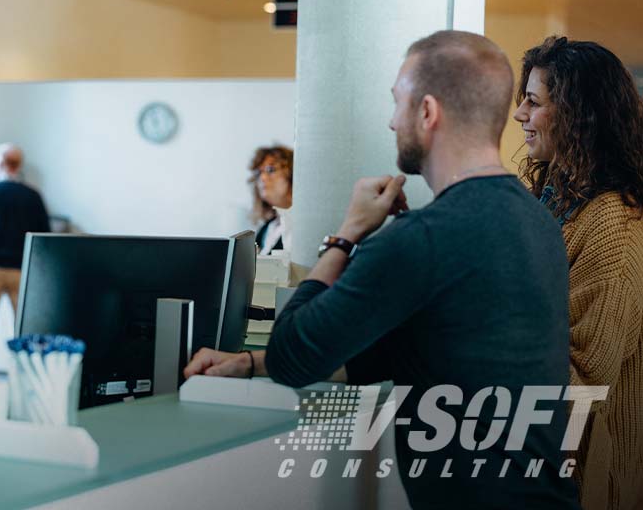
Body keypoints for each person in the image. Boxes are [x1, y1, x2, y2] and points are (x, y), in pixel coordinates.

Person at [185, 31, 579, 509]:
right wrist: (249, 363)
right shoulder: (538, 222)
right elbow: (379, 353)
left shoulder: (422, 238)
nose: (392, 121)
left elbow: (293, 355)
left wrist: (346, 234)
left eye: (398, 102)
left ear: (427, 112)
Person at [512, 36, 643, 510]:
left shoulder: (613, 223)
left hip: (585, 482)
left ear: (577, 114)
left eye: (534, 101)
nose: (519, 114)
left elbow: (586, 381)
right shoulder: (557, 201)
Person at [0, 143, 50, 378]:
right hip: (20, 272)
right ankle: (23, 374)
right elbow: (43, 237)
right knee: (22, 327)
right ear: (19, 165)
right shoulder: (33, 197)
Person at [249, 144, 294, 254]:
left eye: (270, 169)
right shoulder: (265, 229)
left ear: (292, 174)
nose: (262, 178)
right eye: (259, 173)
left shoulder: (303, 227)